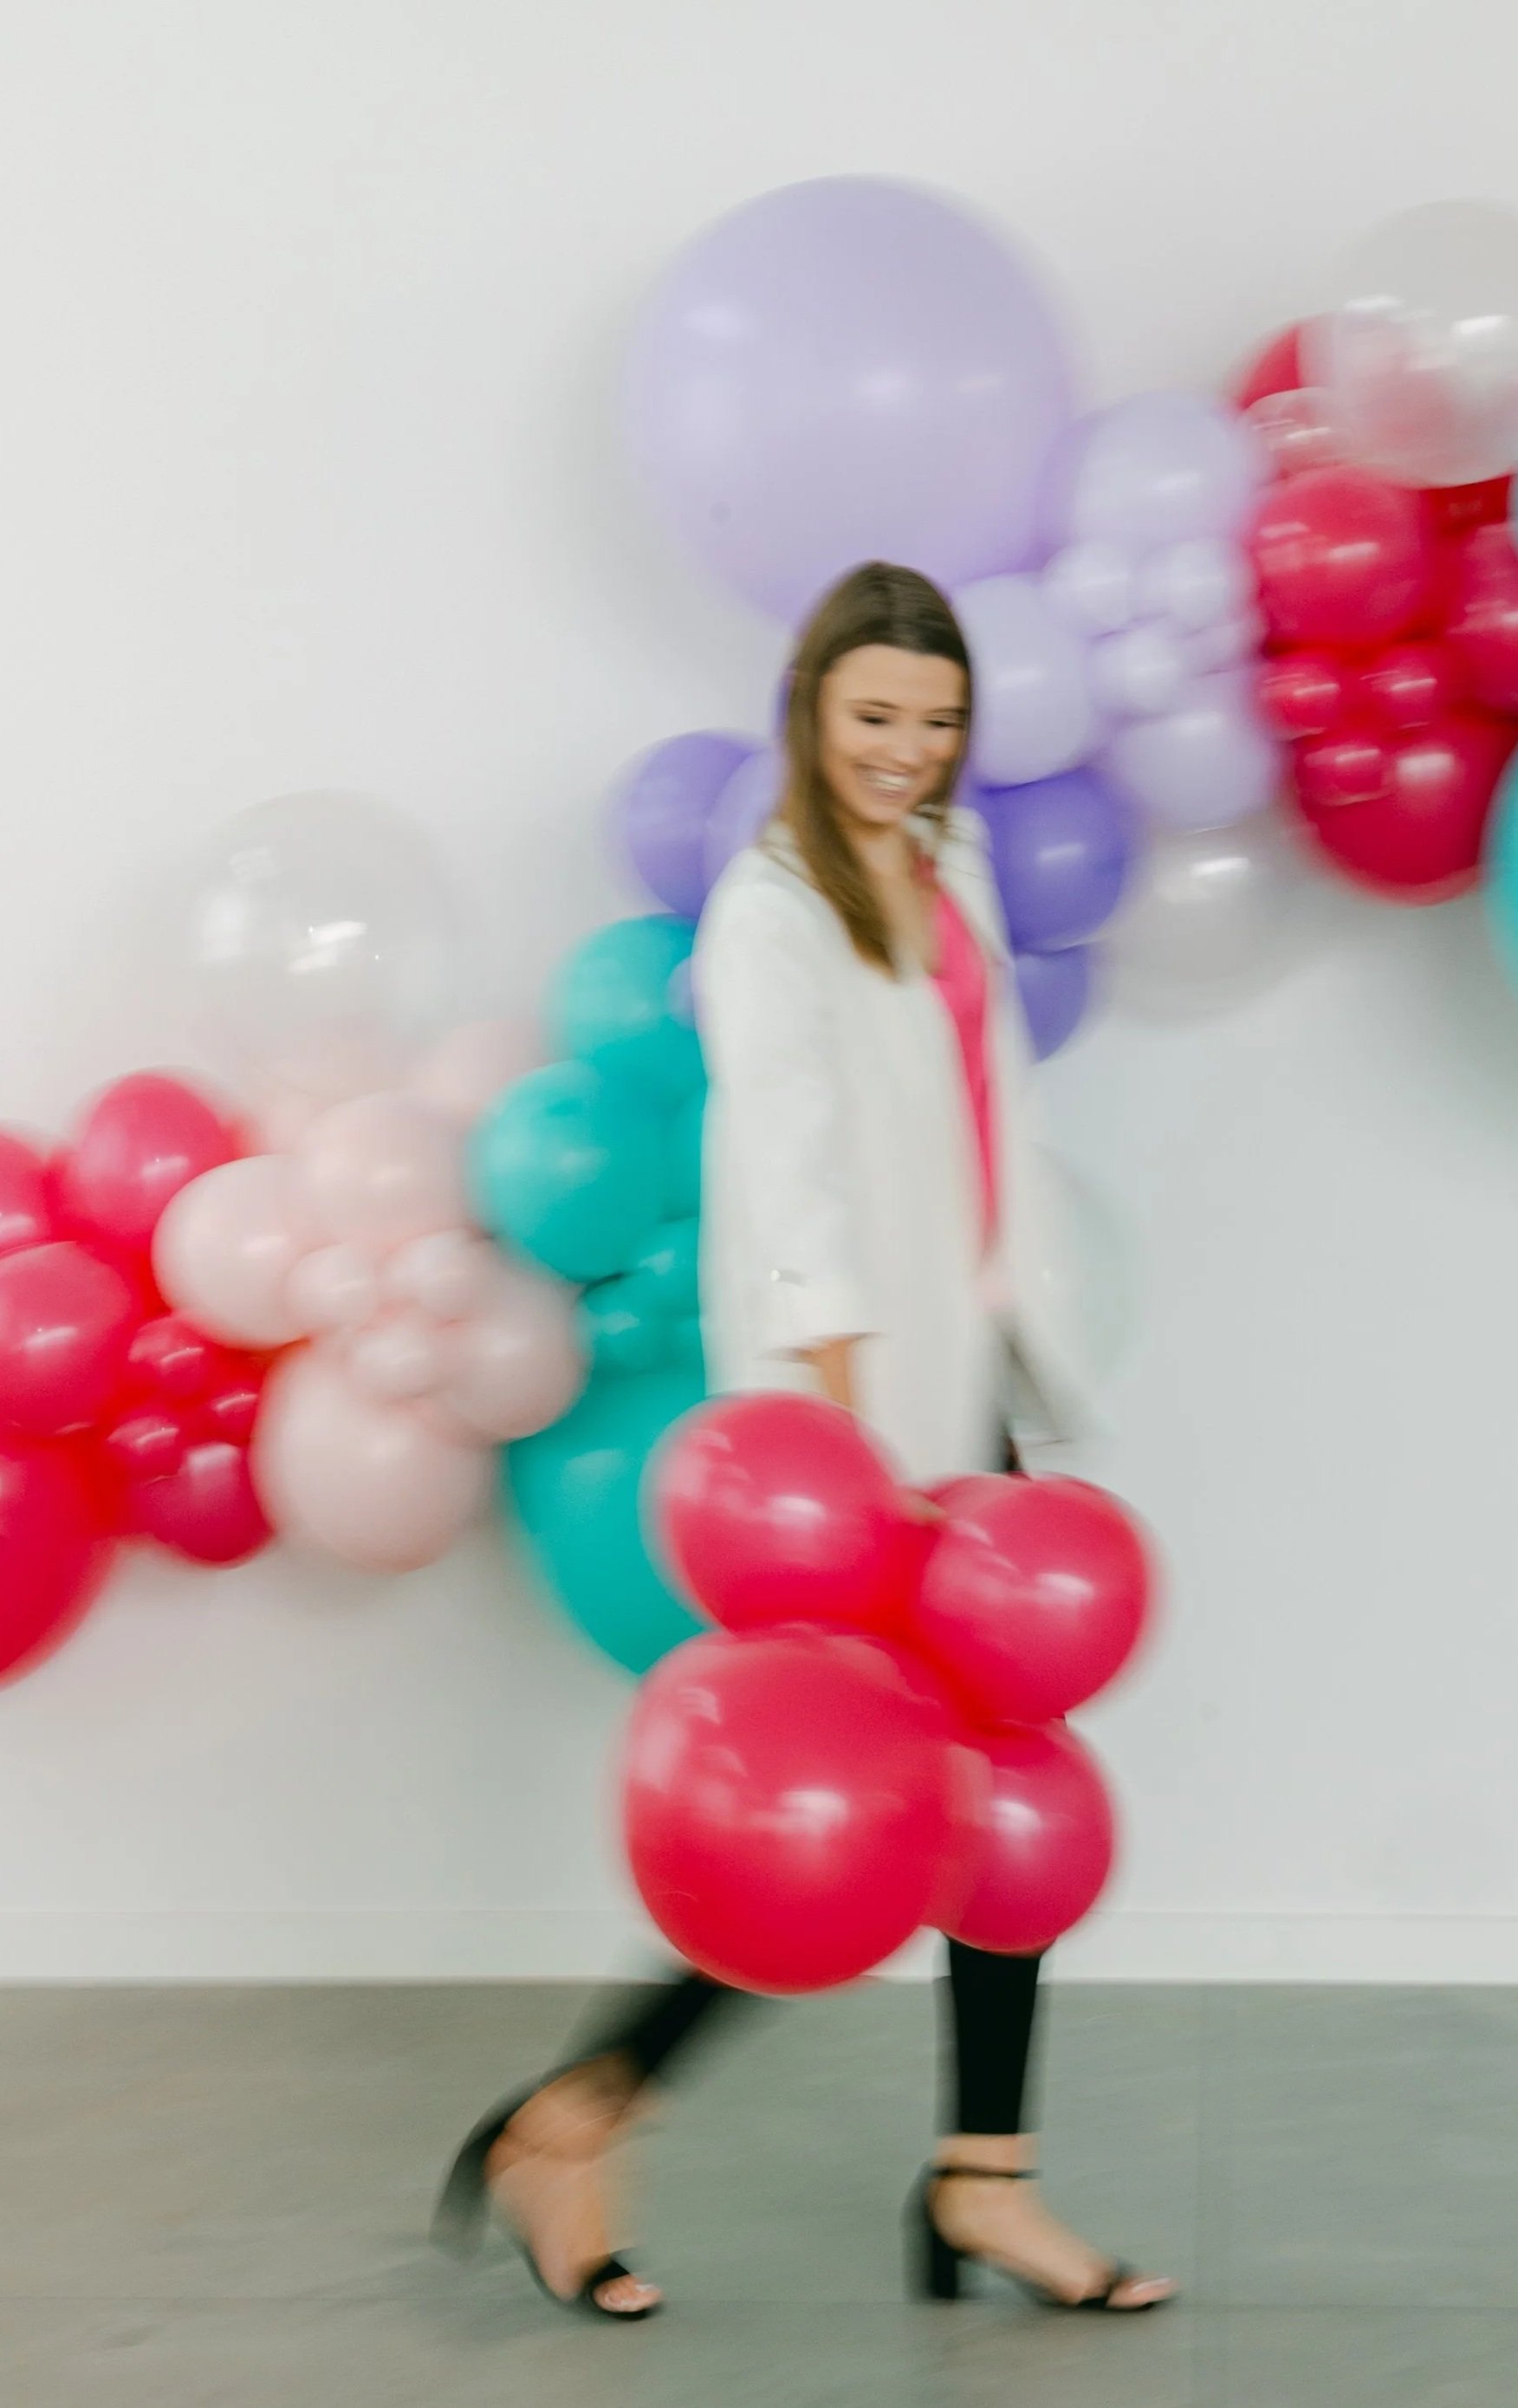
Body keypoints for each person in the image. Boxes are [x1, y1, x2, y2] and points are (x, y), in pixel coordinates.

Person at [434, 561, 1177, 2324]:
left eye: (932, 725)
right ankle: (571, 2116)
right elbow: (796, 1184)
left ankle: (983, 2181)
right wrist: (857, 1459)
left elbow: (978, 1128)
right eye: (871, 720)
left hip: (966, 1392)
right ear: (809, 711)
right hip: (853, 1437)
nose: (902, 756)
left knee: (999, 1795)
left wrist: (995, 1389)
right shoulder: (769, 913)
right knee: (814, 1819)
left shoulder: (953, 870)